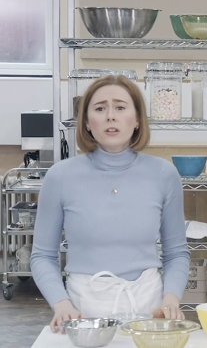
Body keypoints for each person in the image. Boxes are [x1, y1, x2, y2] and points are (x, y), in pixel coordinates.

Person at [30, 75, 190, 333]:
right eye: (100, 108)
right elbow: (42, 256)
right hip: (82, 310)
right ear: (86, 122)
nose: (110, 116)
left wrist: (170, 298)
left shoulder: (164, 174)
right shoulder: (60, 177)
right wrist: (61, 304)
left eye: (120, 107)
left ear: (137, 119)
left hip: (148, 309)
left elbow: (177, 253)